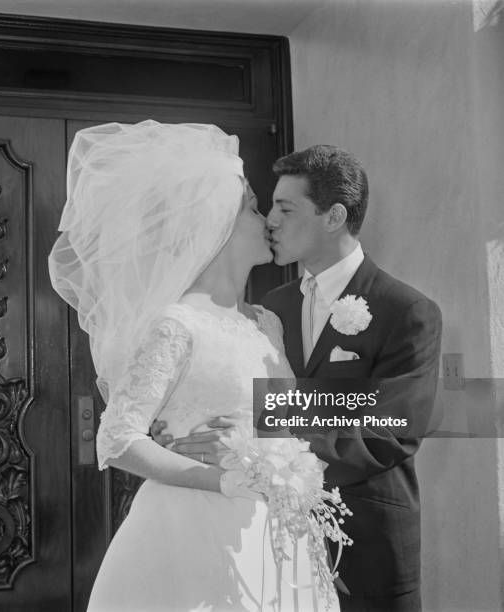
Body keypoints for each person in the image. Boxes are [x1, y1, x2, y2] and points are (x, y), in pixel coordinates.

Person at [48, 121, 342, 612]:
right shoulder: (177, 323)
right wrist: (223, 476)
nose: (267, 219)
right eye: (254, 208)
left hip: (277, 527)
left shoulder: (267, 321)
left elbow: (290, 415)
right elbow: (118, 439)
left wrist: (274, 458)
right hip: (194, 528)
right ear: (219, 223)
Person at [156, 145, 442, 612]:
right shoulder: (274, 307)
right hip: (267, 539)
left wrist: (257, 448)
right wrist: (193, 428)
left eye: (285, 208)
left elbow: (389, 430)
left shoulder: (407, 311)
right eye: (269, 207)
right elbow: (253, 398)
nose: (270, 219)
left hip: (365, 542)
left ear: (333, 217)